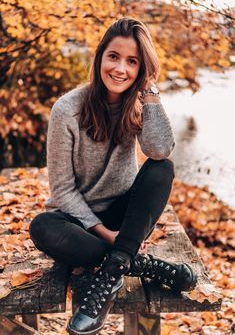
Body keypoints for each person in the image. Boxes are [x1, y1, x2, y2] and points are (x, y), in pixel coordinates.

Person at [29, 18, 197, 335]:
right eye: (114, 57)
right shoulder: (66, 109)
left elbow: (160, 150)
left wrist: (150, 92)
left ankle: (109, 274)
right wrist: (110, 238)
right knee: (42, 227)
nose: (120, 69)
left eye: (132, 62)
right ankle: (130, 261)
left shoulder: (139, 105)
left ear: (142, 68)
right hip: (78, 221)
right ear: (100, 58)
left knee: (162, 168)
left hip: (124, 214)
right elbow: (62, 191)